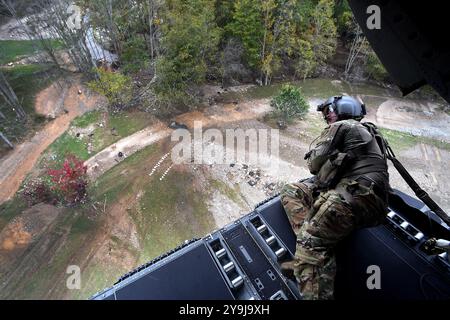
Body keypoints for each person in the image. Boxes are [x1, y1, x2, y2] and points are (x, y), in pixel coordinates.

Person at [280, 95, 391, 300]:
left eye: (328, 111)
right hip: (372, 204)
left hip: (351, 199)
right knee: (292, 191)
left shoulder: (343, 126)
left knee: (310, 245)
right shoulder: (369, 132)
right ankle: (319, 239)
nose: (327, 117)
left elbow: (314, 166)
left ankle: (313, 250)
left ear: (340, 109)